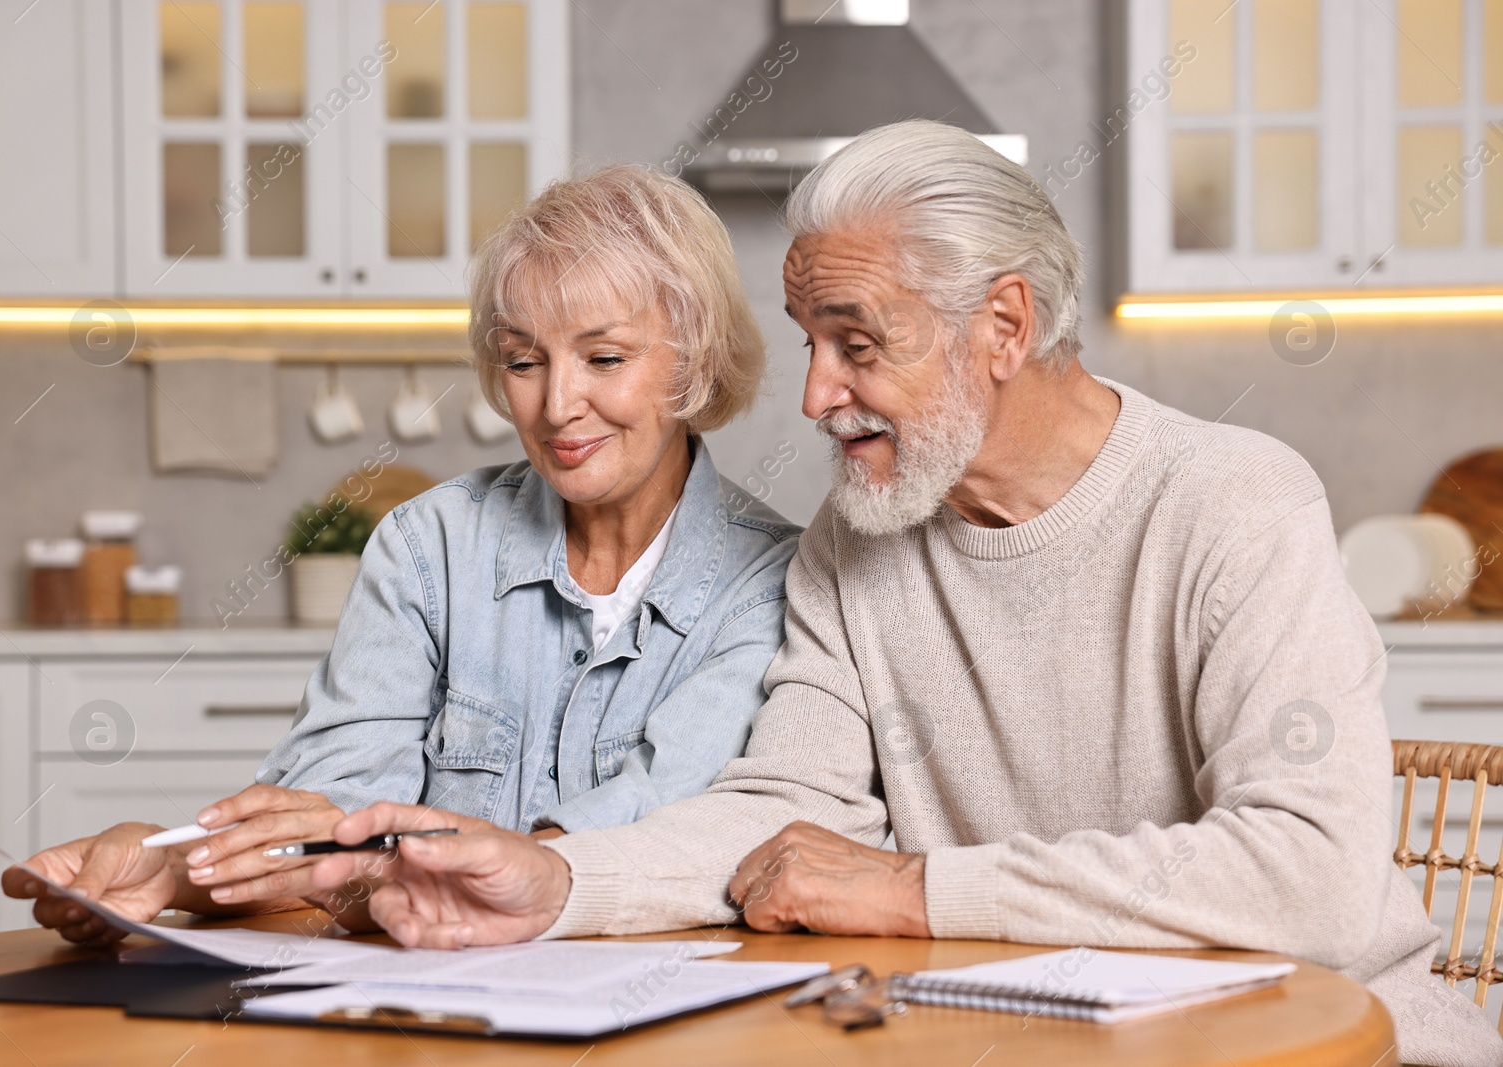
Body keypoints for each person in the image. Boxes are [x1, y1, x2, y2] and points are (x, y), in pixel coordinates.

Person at [308, 122, 1502, 1066]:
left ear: (1001, 324)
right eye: (807, 341)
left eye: (856, 342)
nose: (816, 394)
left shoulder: (1234, 501)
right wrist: (559, 879)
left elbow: (1310, 873)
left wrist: (916, 888)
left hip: (1331, 1043)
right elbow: (775, 807)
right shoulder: (855, 536)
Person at [1, 165, 801, 944]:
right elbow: (327, 812)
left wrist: (375, 855)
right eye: (524, 361)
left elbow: (669, 822)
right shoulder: (429, 545)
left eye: (604, 358)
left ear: (694, 361)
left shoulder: (771, 580)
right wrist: (173, 866)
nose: (557, 405)